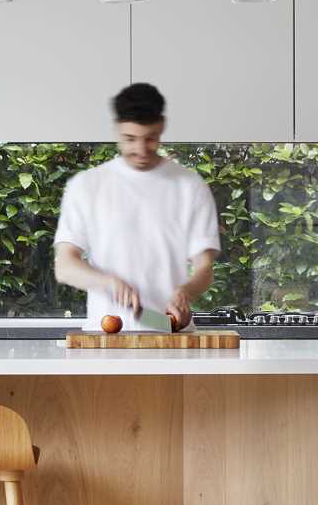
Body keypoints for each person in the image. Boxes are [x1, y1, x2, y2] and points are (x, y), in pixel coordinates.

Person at [52, 83, 220, 331]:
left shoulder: (190, 186)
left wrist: (186, 291)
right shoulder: (87, 185)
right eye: (130, 139)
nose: (141, 150)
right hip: (106, 338)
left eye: (150, 138)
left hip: (171, 332)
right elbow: (65, 266)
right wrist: (109, 283)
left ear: (162, 126)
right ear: (117, 130)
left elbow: (204, 268)